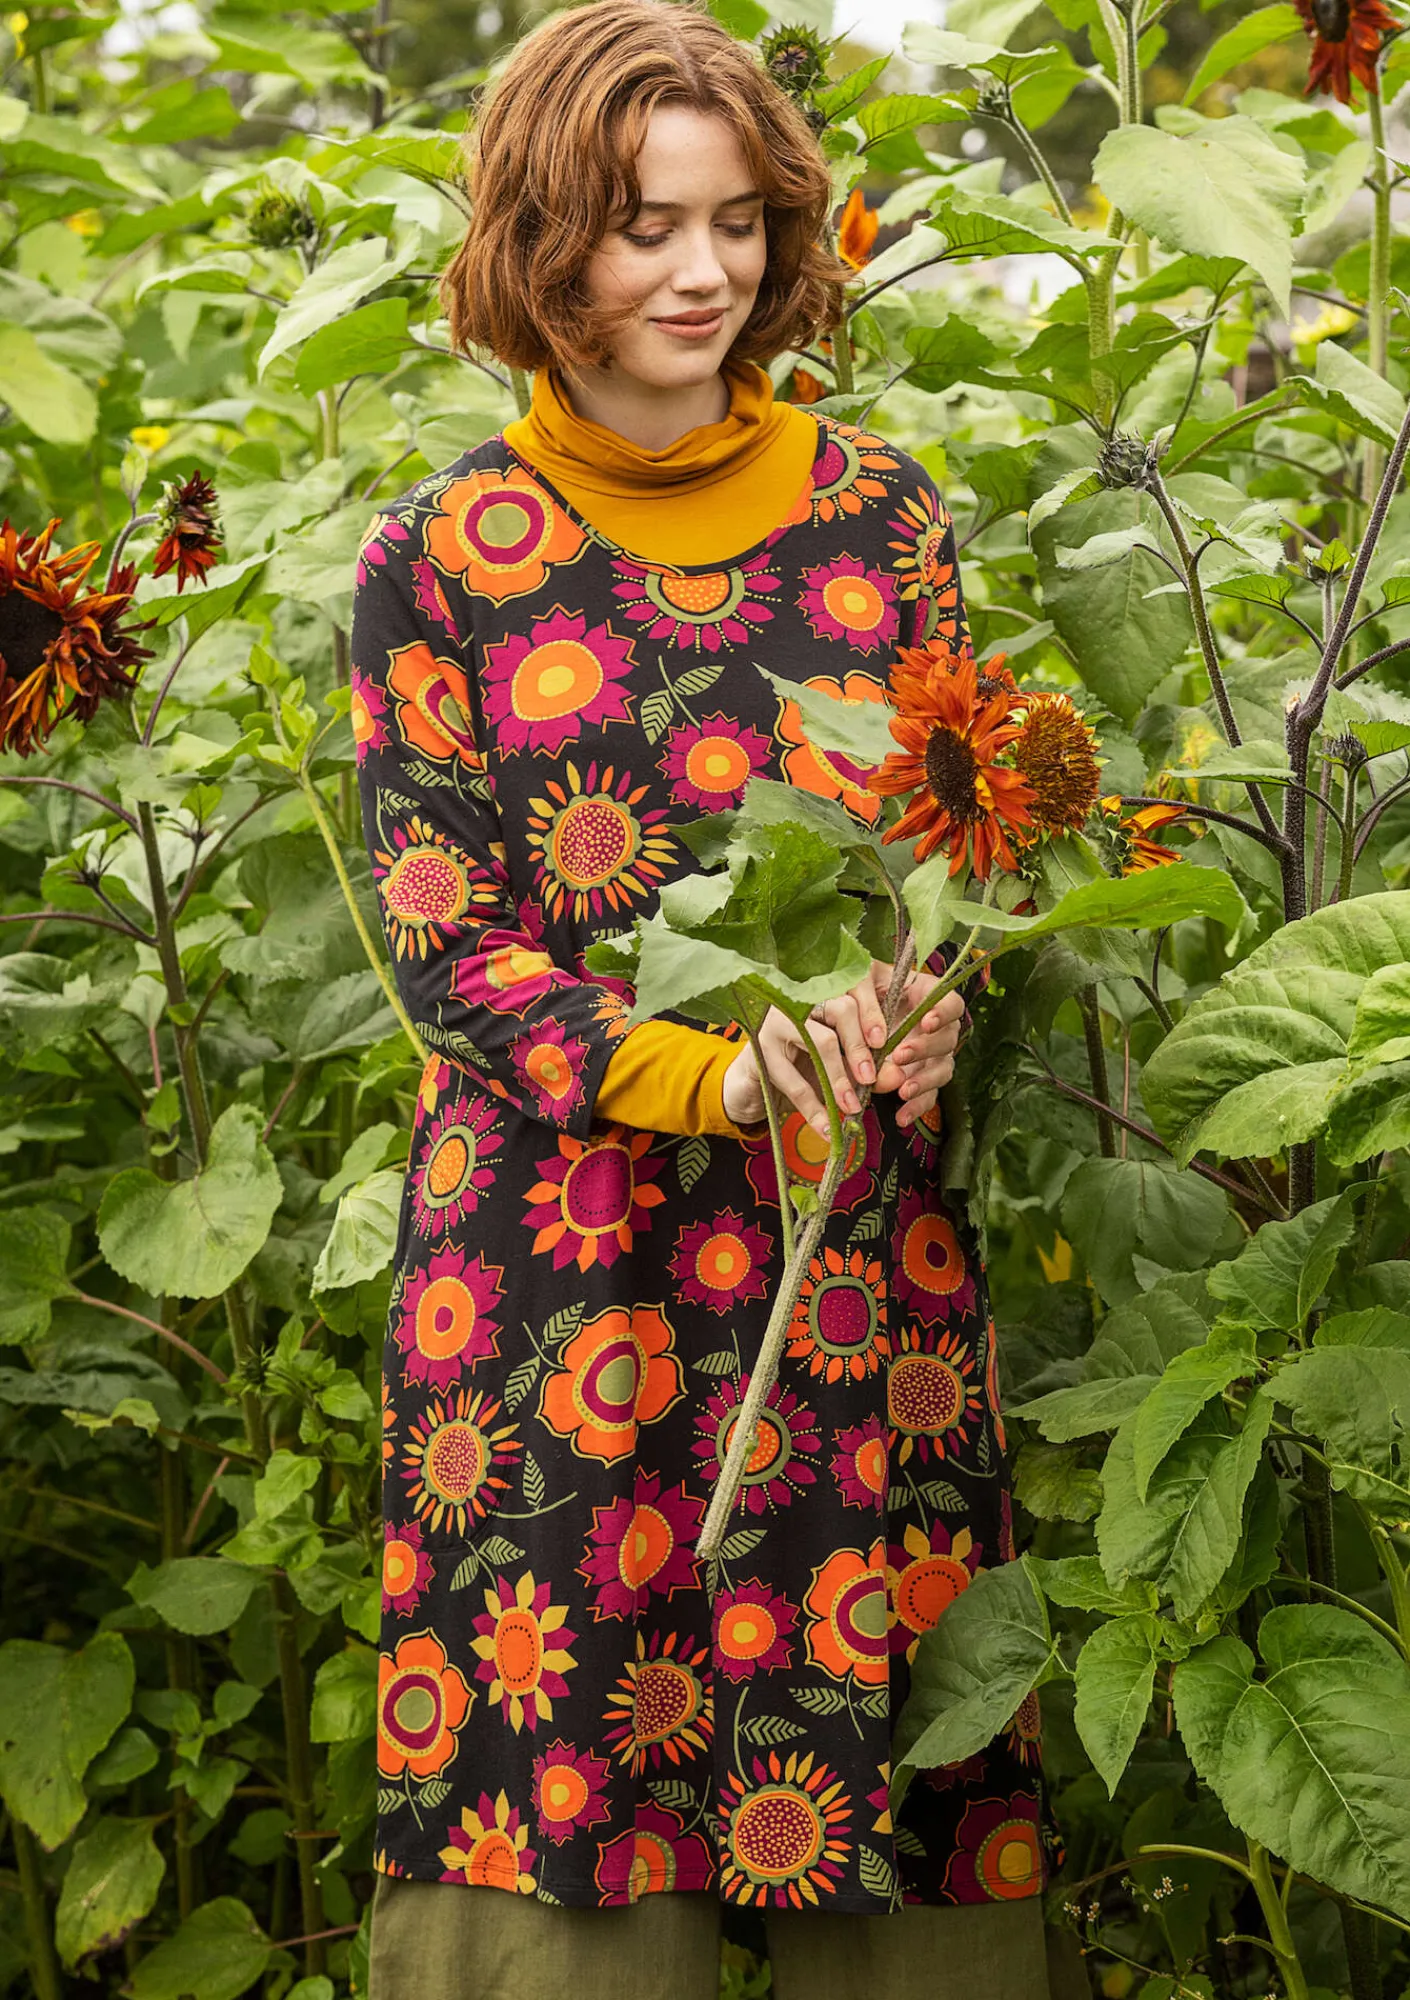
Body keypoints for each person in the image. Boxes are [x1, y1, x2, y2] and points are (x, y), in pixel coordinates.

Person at [353, 4, 1081, 1993]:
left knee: (899, 1810)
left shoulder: (883, 516)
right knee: (575, 1814)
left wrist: (932, 1004)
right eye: (642, 226)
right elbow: (456, 948)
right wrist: (708, 1065)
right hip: (561, 1288)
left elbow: (955, 838)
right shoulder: (439, 557)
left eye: (740, 223)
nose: (703, 272)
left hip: (847, 1266)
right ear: (537, 241)